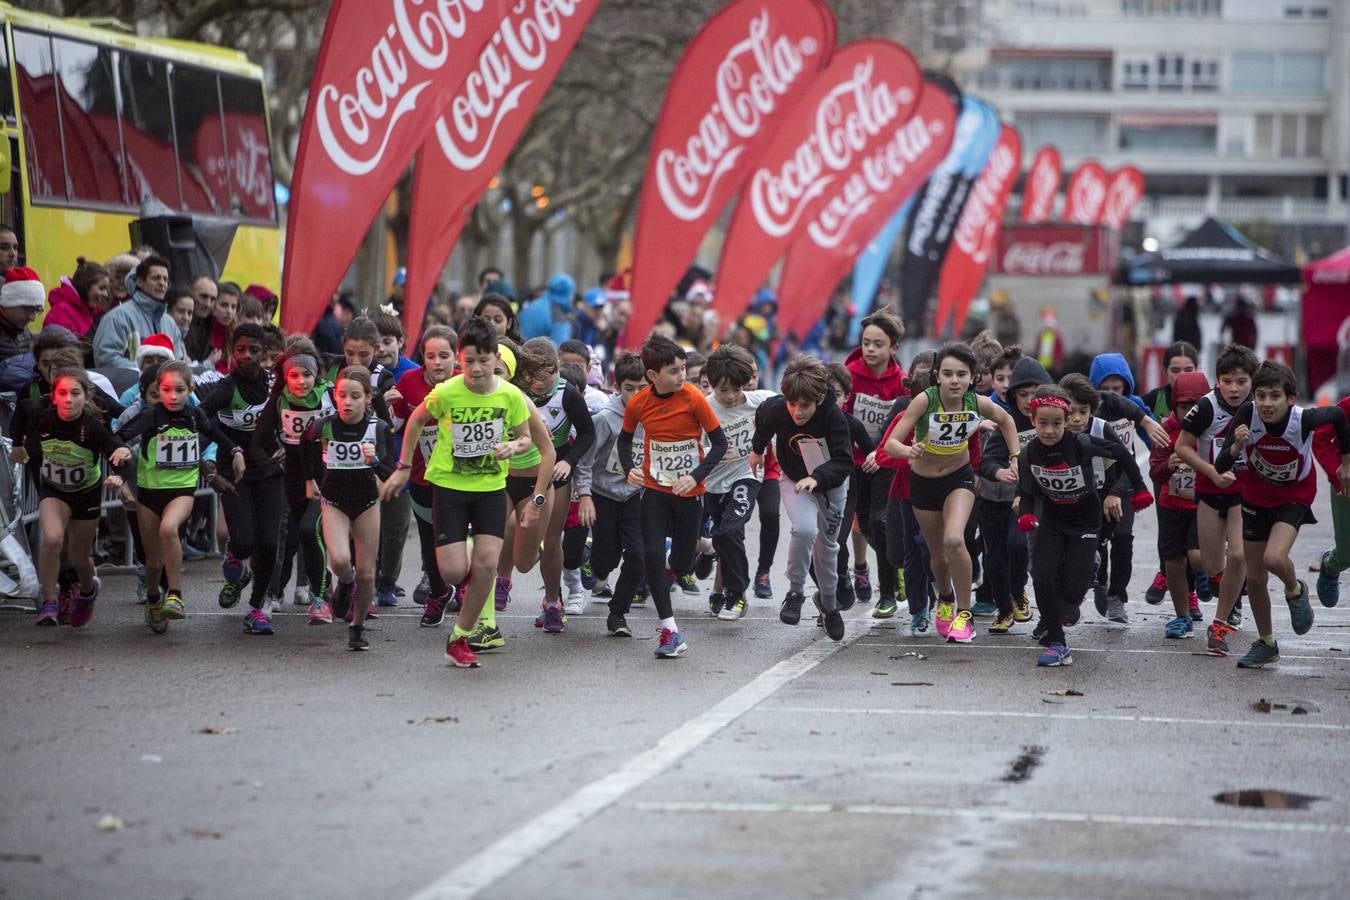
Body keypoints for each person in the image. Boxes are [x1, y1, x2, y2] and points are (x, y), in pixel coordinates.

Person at [380, 318, 553, 669]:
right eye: (469, 360)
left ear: (495, 359)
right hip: (450, 488)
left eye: (484, 360)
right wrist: (401, 466)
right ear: (460, 359)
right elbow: (414, 421)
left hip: (490, 489)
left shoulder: (510, 395)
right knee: (455, 573)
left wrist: (511, 446)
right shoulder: (447, 392)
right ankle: (467, 559)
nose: (476, 368)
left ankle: (460, 636)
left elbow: (526, 438)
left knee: (488, 563)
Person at [1213, 361, 1350, 668]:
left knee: (1274, 559)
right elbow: (1221, 465)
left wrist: (1347, 460)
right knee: (1256, 575)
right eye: (1260, 396)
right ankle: (1267, 642)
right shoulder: (1247, 415)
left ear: (1290, 399)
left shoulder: (1304, 419)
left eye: (1274, 396)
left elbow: (1339, 416)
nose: (1266, 403)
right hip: (1256, 496)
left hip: (1294, 496)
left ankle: (1295, 589)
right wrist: (1236, 446)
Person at [884, 343, 1019, 644]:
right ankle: (944, 596)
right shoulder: (924, 401)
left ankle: (964, 615)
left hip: (959, 480)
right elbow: (890, 444)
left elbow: (1006, 420)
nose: (955, 380)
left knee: (955, 540)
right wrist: (909, 449)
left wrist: (1015, 455)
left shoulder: (976, 401)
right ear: (937, 376)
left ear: (972, 377)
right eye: (948, 374)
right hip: (923, 484)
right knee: (937, 557)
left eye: (961, 374)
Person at [1017, 386, 1152, 666]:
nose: (1050, 430)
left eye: (1057, 424)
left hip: (1085, 522)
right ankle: (1057, 642)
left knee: (1072, 592)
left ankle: (1079, 584)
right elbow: (1027, 492)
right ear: (1033, 421)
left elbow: (1122, 453)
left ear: (1066, 421)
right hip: (1053, 519)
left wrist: (1138, 489)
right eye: (1043, 423)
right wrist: (1027, 516)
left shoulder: (1081, 444)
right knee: (1041, 574)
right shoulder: (1029, 452)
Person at [617, 334, 728, 658]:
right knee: (651, 553)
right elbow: (625, 443)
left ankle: (697, 555)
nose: (682, 376)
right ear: (652, 376)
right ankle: (670, 631)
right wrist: (630, 469)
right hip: (654, 489)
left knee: (680, 565)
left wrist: (694, 475)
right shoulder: (639, 403)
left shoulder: (693, 398)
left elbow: (719, 444)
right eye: (674, 371)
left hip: (690, 493)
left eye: (683, 368)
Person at [117, 361, 243, 634]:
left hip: (182, 490)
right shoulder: (151, 416)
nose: (173, 397)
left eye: (179, 390)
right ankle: (154, 598)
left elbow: (216, 433)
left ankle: (175, 595)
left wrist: (235, 450)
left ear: (190, 389)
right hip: (149, 492)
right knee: (152, 563)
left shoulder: (196, 415)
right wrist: (120, 455)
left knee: (169, 528)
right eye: (166, 390)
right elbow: (120, 435)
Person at [750, 356, 853, 640]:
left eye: (804, 405)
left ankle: (829, 606)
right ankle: (795, 593)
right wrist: (757, 450)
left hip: (830, 486)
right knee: (804, 529)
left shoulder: (834, 417)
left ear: (819, 398)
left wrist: (818, 477)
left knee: (827, 548)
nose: (796, 411)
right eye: (791, 403)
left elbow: (845, 461)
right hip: (795, 480)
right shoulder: (778, 409)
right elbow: (764, 421)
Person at [27, 367, 131, 627]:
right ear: (53, 397)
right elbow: (24, 431)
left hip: (86, 494)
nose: (69, 399)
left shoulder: (91, 427)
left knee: (77, 557)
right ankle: (49, 601)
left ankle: (88, 589)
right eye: (62, 393)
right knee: (52, 539)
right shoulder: (44, 418)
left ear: (86, 398)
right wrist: (22, 448)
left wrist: (119, 474)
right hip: (54, 490)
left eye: (75, 393)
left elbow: (114, 451)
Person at [302, 366, 397, 651]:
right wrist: (310, 479)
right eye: (342, 395)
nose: (347, 402)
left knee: (368, 573)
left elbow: (390, 470)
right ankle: (345, 582)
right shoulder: (323, 426)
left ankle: (357, 627)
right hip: (334, 501)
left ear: (368, 397)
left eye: (355, 396)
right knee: (341, 561)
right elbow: (305, 447)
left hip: (367, 502)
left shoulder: (378, 428)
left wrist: (374, 462)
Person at [198, 324, 285, 634]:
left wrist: (287, 447)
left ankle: (257, 607)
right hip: (232, 473)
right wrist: (220, 459)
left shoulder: (276, 386)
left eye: (254, 350)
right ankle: (235, 556)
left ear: (264, 353)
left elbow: (297, 416)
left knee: (269, 543)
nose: (247, 356)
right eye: (240, 350)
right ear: (232, 352)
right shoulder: (225, 388)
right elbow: (198, 420)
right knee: (245, 542)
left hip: (268, 470)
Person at [1174, 343, 1259, 655]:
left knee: (1238, 556)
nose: (1233, 389)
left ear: (1253, 381)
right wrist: (1210, 472)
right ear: (1217, 380)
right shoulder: (1207, 407)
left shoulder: (1259, 406)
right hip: (1210, 491)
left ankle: (1219, 625)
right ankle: (1232, 589)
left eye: (1241, 382)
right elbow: (1181, 448)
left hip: (1243, 491)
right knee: (1212, 565)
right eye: (1226, 381)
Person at [514, 338, 594, 633]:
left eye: (543, 375)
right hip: (519, 472)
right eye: (529, 375)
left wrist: (569, 462)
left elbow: (587, 433)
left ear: (556, 369)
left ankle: (552, 601)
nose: (535, 382)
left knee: (552, 538)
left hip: (556, 471)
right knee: (518, 537)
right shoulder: (515, 392)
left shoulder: (568, 394)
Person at [253, 346, 334, 623]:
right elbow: (257, 442)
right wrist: (270, 466)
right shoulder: (279, 402)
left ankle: (322, 595)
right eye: (294, 376)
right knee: (304, 536)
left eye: (307, 375)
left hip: (328, 476)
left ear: (316, 375)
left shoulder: (330, 396)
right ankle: (325, 589)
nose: (301, 382)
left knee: (311, 531)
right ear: (286, 378)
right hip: (293, 478)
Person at [386, 326, 458, 628]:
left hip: (460, 478)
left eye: (444, 355)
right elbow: (396, 425)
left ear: (457, 357)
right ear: (423, 358)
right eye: (431, 356)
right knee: (430, 544)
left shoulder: (465, 383)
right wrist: (386, 405)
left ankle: (465, 589)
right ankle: (439, 593)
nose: (438, 362)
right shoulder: (408, 381)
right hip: (421, 476)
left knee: (459, 540)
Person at [701, 345, 776, 621]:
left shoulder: (762, 401)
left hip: (747, 475)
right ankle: (722, 587)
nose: (731, 397)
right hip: (712, 484)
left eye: (737, 388)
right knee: (724, 537)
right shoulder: (702, 407)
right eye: (723, 390)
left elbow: (794, 405)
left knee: (728, 532)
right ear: (711, 384)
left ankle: (737, 593)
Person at [575, 351, 647, 636]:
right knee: (607, 559)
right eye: (630, 389)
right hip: (604, 494)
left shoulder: (655, 416)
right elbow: (585, 460)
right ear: (616, 387)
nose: (637, 395)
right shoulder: (606, 419)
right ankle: (595, 564)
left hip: (636, 496)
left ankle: (618, 614)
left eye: (643, 388)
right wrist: (585, 495)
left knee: (639, 555)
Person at [841, 311, 907, 615]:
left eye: (878, 344)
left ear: (893, 348)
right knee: (865, 525)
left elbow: (903, 422)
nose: (870, 349)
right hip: (854, 462)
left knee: (881, 522)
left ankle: (888, 593)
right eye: (866, 342)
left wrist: (880, 452)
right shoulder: (850, 375)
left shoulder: (902, 382)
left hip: (885, 463)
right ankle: (895, 567)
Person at [1147, 370, 1212, 637]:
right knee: (1173, 560)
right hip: (1172, 505)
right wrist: (1168, 466)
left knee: (1196, 556)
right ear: (1175, 406)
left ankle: (1205, 573)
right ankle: (1181, 616)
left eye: (1196, 406)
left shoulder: (1214, 429)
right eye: (1185, 407)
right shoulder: (1167, 430)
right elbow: (1154, 472)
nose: (1190, 413)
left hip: (1203, 506)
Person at [93, 255, 185, 369]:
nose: (162, 283)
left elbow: (179, 363)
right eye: (156, 278)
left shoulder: (170, 323)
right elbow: (106, 359)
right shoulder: (116, 318)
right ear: (140, 282)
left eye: (165, 279)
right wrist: (145, 373)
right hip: (130, 386)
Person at [1314, 392, 1350, 607]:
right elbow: (1321, 438)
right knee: (1347, 555)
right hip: (1345, 487)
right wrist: (1337, 474)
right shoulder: (1346, 406)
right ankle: (1331, 565)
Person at [44, 259, 111, 350]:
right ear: (85, 286)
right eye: (102, 288)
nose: (105, 294)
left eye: (107, 289)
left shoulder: (96, 312)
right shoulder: (61, 312)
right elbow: (61, 355)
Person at [0, 267, 45, 361]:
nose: (33, 318)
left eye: (37, 310)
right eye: (28, 309)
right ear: (9, 303)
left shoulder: (20, 326)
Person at [518, 273, 576, 344]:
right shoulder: (558, 315)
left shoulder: (533, 304)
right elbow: (560, 347)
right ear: (568, 293)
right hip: (540, 353)